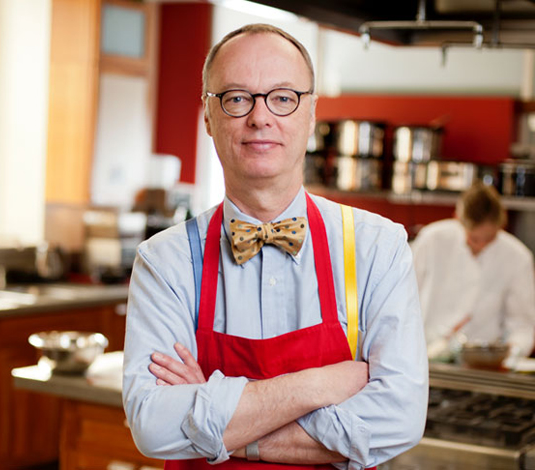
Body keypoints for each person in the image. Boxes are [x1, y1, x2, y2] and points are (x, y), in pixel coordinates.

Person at [123, 23, 428, 470]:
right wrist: (318, 386)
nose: (260, 117)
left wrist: (217, 418)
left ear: (311, 115)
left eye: (283, 98)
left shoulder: (378, 247)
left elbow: (399, 419)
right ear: (208, 116)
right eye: (236, 98)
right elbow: (153, 427)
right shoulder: (164, 261)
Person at [410, 182, 535, 361]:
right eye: (474, 239)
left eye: (489, 239)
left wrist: (512, 352)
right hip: (424, 355)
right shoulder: (431, 240)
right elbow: (404, 299)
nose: (482, 245)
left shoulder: (518, 257)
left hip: (482, 364)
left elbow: (521, 324)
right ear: (458, 219)